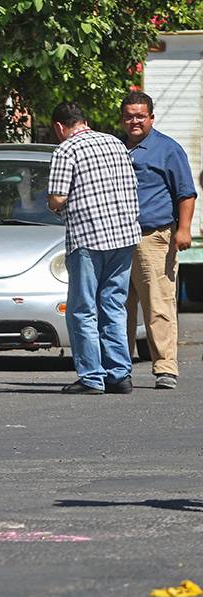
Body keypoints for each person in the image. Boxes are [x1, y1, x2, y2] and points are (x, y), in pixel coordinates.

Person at [46, 101, 141, 395]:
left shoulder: (66, 150)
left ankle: (91, 377)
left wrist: (52, 205)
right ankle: (120, 374)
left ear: (60, 127)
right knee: (114, 305)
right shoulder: (115, 143)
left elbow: (57, 198)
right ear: (84, 120)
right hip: (123, 236)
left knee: (83, 309)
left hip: (88, 237)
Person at [121, 90, 197, 389]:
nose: (135, 121)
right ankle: (118, 366)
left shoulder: (168, 149)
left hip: (153, 237)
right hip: (116, 238)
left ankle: (165, 367)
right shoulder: (116, 147)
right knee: (117, 305)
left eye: (140, 116)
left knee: (158, 304)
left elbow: (186, 193)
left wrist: (184, 229)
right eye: (129, 116)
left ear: (151, 117)